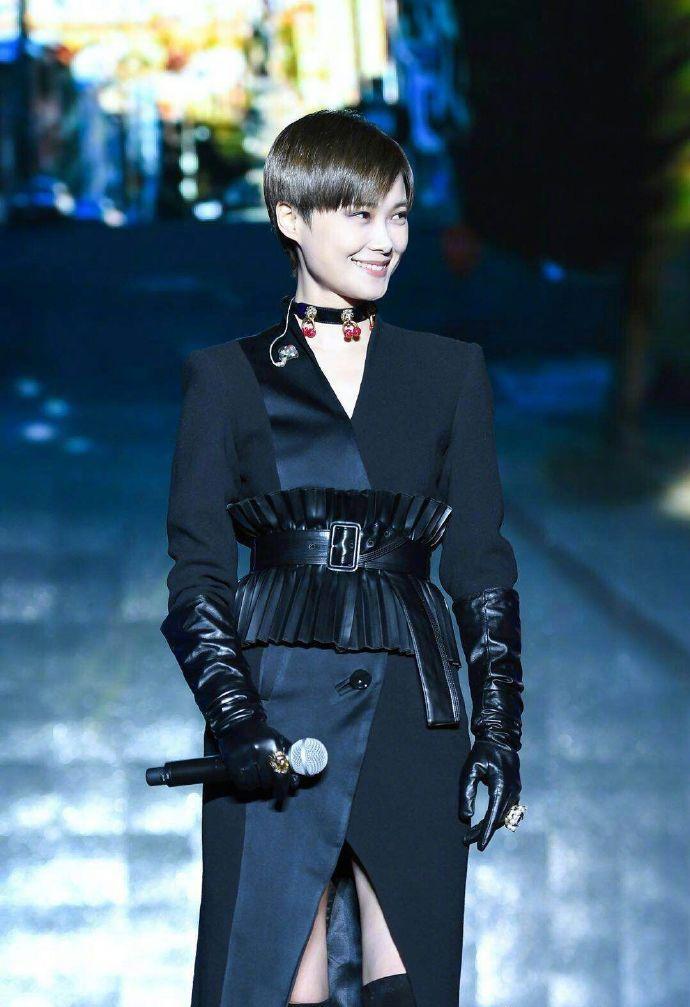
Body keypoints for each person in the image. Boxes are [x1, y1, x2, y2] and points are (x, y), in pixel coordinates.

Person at [160, 108, 526, 1007]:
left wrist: (499, 732)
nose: (386, 239)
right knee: (274, 983)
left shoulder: (449, 372)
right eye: (360, 214)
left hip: (414, 710)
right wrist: (235, 718)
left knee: (415, 985)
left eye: (398, 215)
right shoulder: (227, 378)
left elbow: (481, 568)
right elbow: (198, 576)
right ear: (291, 216)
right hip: (274, 709)